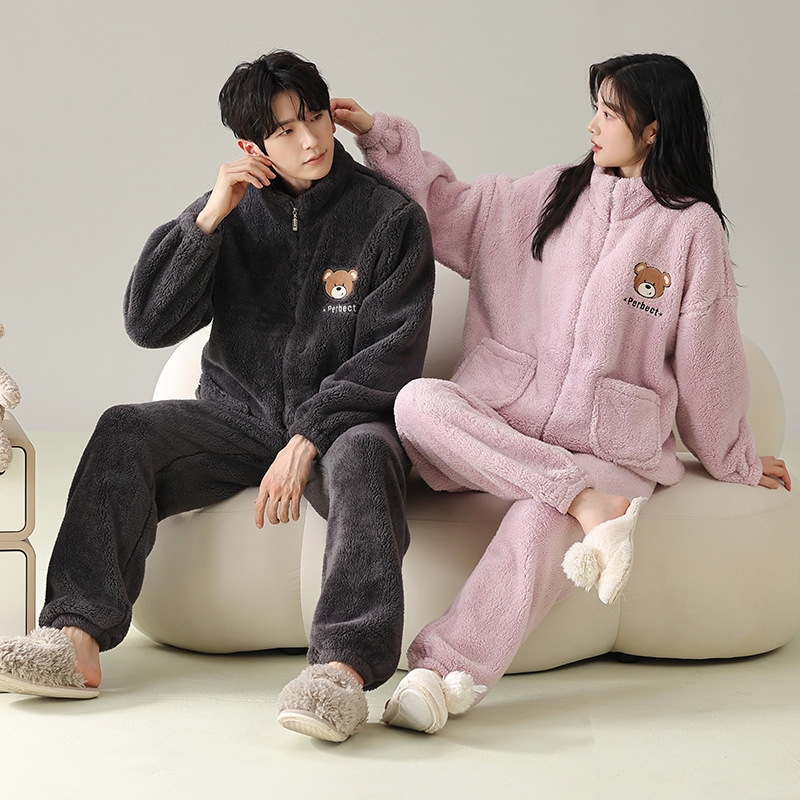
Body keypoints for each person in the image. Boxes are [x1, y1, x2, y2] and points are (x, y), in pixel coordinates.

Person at [331, 53, 792, 734]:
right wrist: (381, 137)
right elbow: (443, 210)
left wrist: (736, 460)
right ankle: (584, 502)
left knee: (539, 521)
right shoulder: (548, 195)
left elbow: (709, 360)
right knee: (417, 403)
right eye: (595, 109)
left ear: (655, 129)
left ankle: (438, 676)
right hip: (508, 421)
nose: (593, 125)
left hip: (611, 446)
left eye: (610, 113)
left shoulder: (690, 229)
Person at [0, 50, 435, 743]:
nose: (311, 141)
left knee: (363, 457)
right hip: (237, 417)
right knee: (123, 428)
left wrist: (310, 435)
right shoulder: (231, 211)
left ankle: (341, 673)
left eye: (315, 118)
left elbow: (394, 352)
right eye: (285, 131)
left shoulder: (390, 218)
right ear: (250, 145)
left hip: (346, 424)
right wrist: (206, 220)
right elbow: (147, 323)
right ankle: (74, 638)